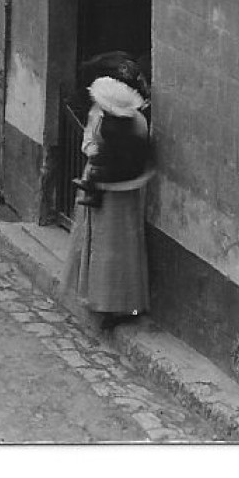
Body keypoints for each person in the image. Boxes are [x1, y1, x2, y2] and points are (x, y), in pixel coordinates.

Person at [59, 75, 153, 328]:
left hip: (122, 192)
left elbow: (138, 154)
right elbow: (88, 142)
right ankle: (96, 297)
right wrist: (99, 155)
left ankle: (120, 304)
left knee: (118, 246)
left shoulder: (137, 122)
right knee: (99, 242)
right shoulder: (98, 115)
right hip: (104, 184)